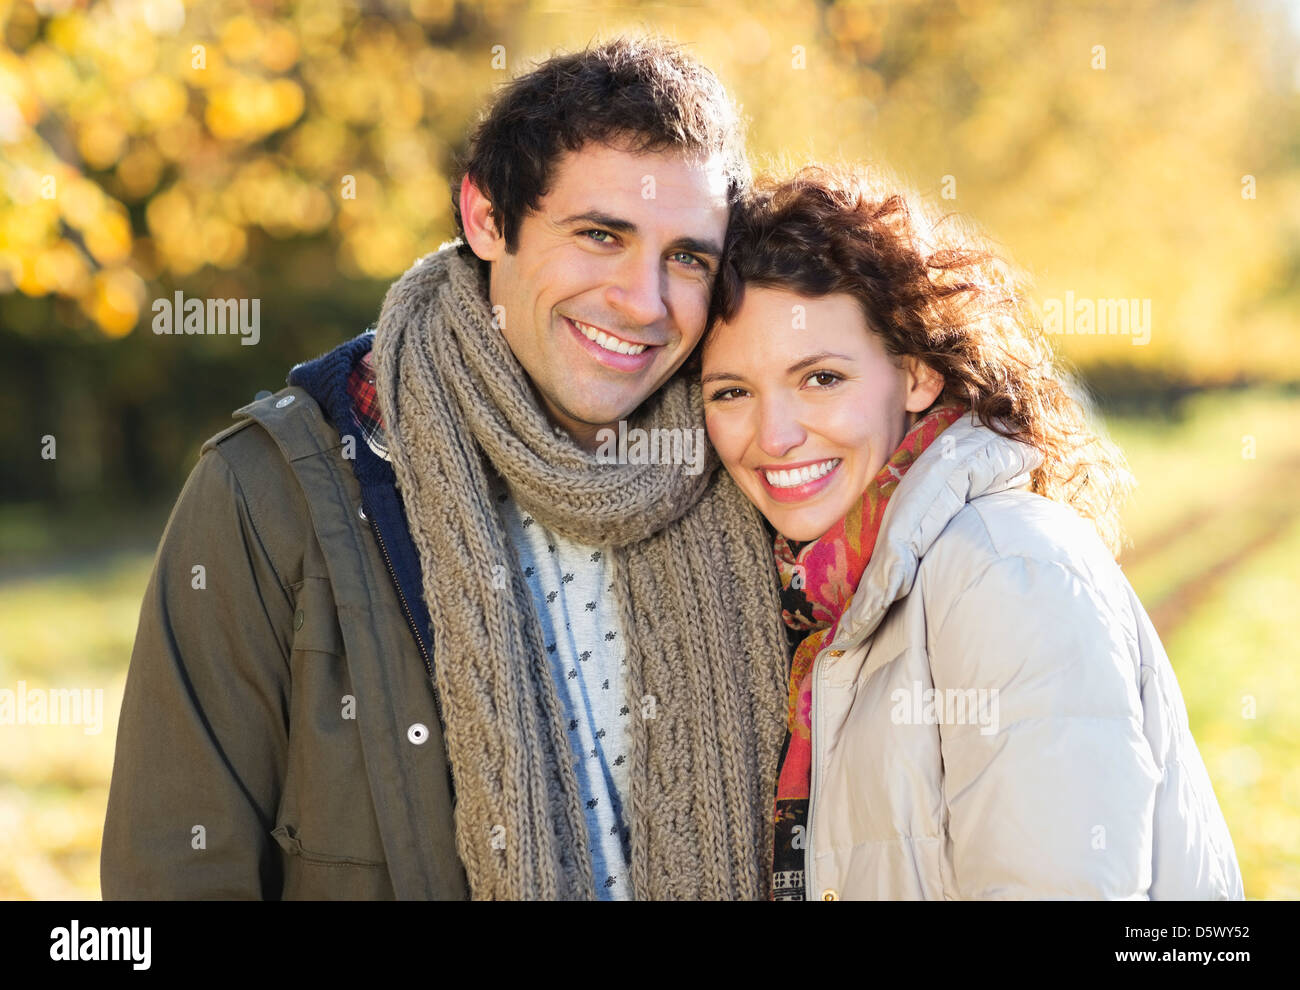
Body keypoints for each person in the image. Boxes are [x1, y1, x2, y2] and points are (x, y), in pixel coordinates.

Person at [101, 37, 792, 901]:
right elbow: (173, 877)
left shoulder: (758, 470)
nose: (644, 302)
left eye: (686, 257)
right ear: (485, 217)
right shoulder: (269, 493)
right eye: (599, 235)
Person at [698, 163, 1245, 900]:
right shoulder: (821, 601)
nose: (776, 434)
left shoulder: (1002, 568)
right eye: (732, 392)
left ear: (917, 374)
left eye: (822, 378)